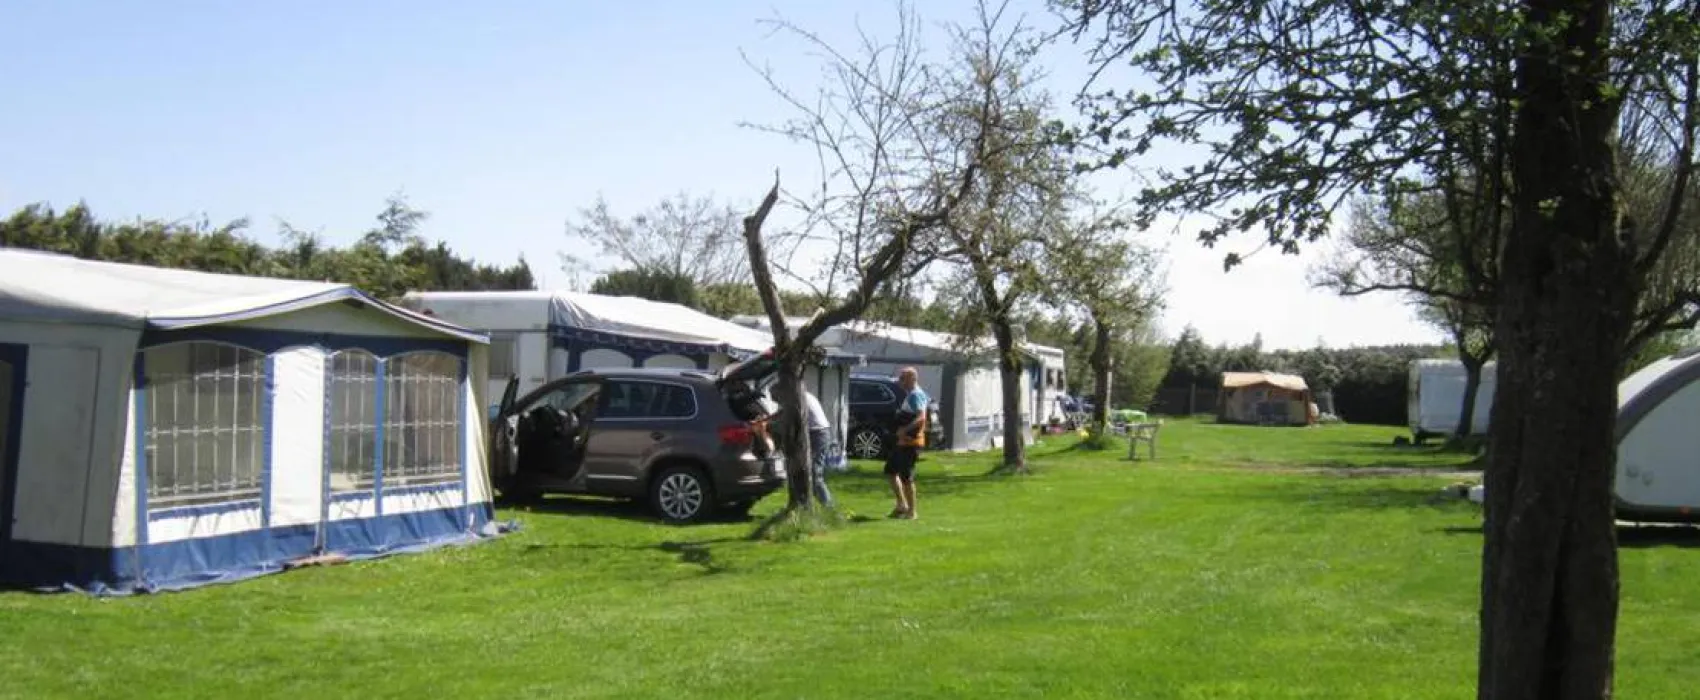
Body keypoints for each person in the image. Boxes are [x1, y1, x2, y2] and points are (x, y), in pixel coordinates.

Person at [885, 367, 929, 519]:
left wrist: (905, 429)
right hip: (902, 442)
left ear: (912, 379)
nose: (900, 381)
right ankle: (901, 505)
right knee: (890, 471)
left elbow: (921, 417)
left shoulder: (916, 395)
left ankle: (912, 512)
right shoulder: (911, 395)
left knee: (906, 477)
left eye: (903, 378)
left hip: (911, 443)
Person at [800, 387, 837, 509]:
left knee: (815, 472)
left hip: (818, 433)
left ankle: (828, 506)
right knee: (806, 471)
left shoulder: (799, 398)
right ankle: (804, 505)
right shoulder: (805, 395)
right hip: (817, 432)